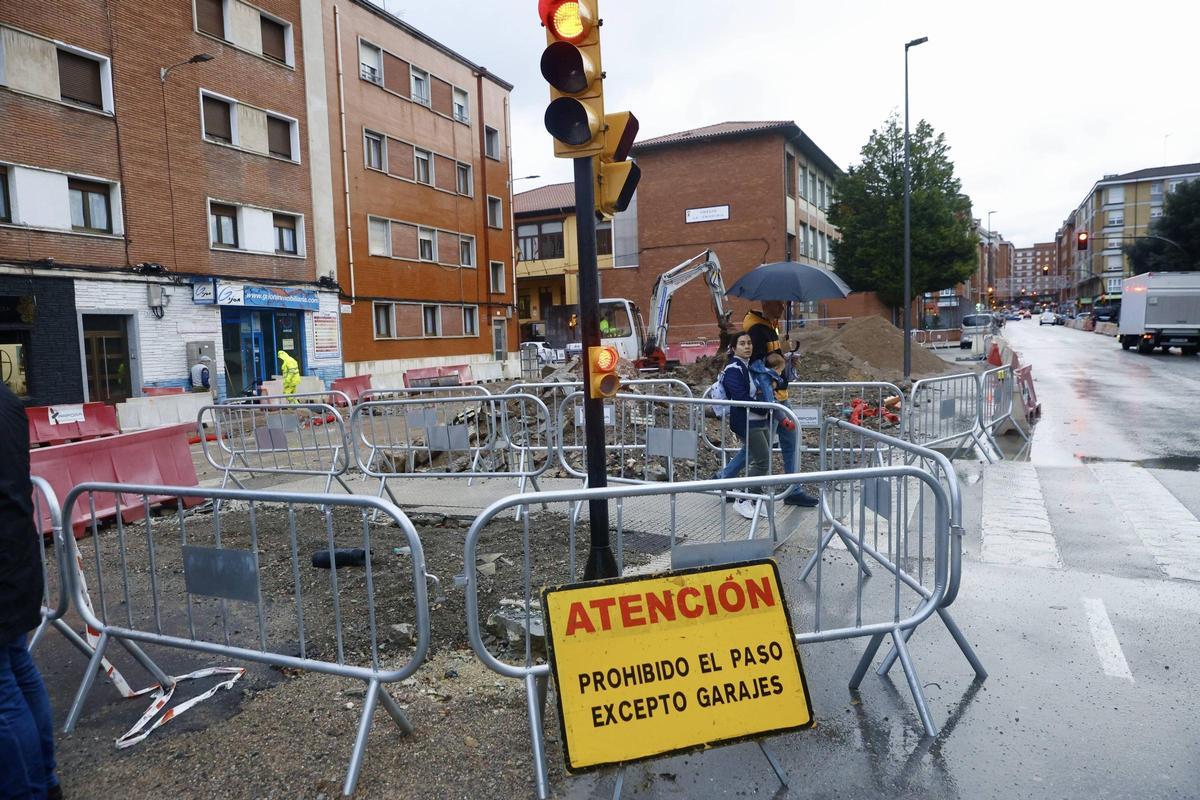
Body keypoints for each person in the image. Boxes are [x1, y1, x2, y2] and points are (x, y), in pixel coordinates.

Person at [1, 383, 62, 800]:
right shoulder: (8, 401)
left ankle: (26, 791)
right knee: (17, 665)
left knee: (5, 689)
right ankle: (46, 779)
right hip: (15, 551)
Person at [742, 300, 818, 507]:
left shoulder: (769, 327)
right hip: (771, 398)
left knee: (787, 440)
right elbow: (758, 366)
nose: (783, 309)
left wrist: (784, 356)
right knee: (757, 447)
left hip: (779, 396)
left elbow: (771, 359)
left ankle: (793, 488)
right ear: (768, 304)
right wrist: (771, 398)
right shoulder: (758, 329)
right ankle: (724, 480)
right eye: (779, 305)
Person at [717, 333, 769, 520]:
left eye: (749, 343)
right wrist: (764, 408)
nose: (747, 346)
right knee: (762, 460)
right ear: (733, 348)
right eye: (742, 344)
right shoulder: (733, 369)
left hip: (759, 420)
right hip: (747, 421)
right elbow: (739, 397)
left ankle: (754, 499)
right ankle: (743, 499)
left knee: (760, 459)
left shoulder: (749, 366)